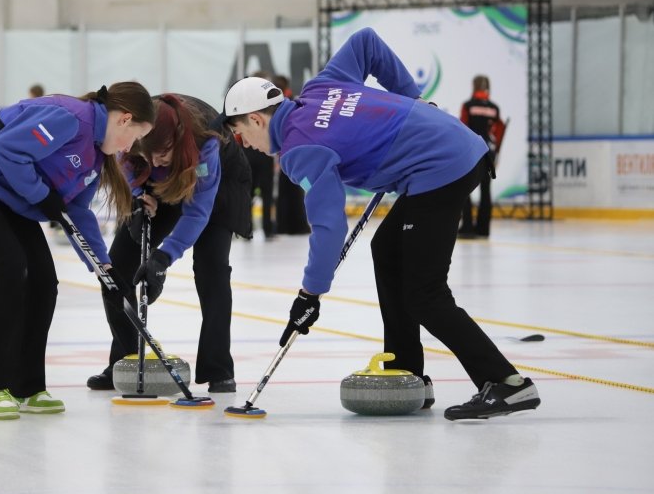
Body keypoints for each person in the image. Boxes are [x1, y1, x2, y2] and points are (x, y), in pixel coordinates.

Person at [221, 28, 540, 421]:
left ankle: (507, 384)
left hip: (443, 166)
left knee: (425, 293)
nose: (244, 144)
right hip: (452, 150)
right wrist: (413, 98)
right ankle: (407, 370)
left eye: (240, 134)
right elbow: (365, 42)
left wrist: (310, 293)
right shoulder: (321, 87)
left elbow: (329, 226)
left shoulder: (297, 149)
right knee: (386, 249)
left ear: (255, 119)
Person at [0, 82, 155, 419]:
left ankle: (27, 385)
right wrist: (41, 195)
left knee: (43, 280)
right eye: (136, 136)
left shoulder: (95, 156)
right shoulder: (71, 119)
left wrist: (106, 270)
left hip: (10, 199)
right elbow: (6, 149)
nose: (131, 146)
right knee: (11, 268)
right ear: (125, 119)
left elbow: (77, 212)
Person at [86, 94, 252, 393]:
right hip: (158, 185)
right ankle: (126, 359)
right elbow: (129, 169)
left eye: (161, 153)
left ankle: (218, 368)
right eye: (147, 154)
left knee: (211, 268)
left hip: (217, 185)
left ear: (177, 139)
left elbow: (198, 212)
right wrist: (138, 197)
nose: (155, 160)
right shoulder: (138, 139)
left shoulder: (206, 144)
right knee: (117, 268)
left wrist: (162, 259)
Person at [458, 75, 504, 239]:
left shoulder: (468, 106)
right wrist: (496, 155)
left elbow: (463, 128)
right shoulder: (494, 108)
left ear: (474, 86)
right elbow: (498, 133)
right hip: (489, 152)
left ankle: (468, 227)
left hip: (472, 150)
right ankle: (484, 229)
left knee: (465, 188)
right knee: (486, 190)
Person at [270, 75, 310, 235]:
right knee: (295, 190)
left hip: (285, 153)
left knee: (286, 192)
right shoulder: (292, 102)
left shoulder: (278, 104)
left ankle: (283, 225)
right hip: (294, 152)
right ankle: (297, 225)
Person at [243, 71, 277, 239]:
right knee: (250, 192)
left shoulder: (266, 102)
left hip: (263, 152)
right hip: (251, 151)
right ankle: (249, 229)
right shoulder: (246, 102)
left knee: (265, 192)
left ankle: (264, 229)